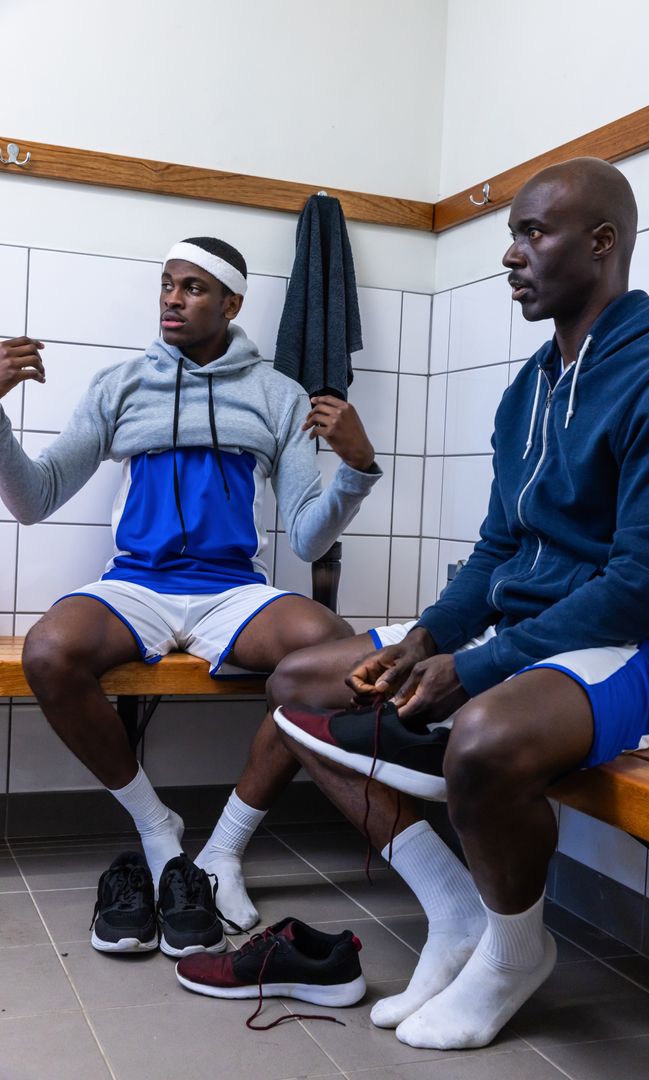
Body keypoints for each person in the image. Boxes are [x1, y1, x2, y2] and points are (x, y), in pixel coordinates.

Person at [181, 159, 649, 1044]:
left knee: (485, 735)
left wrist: (478, 667)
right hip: (530, 635)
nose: (511, 255)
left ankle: (515, 953)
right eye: (512, 234)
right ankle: (457, 910)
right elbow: (500, 549)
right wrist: (430, 635)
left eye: (532, 233)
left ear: (602, 242)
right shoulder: (531, 387)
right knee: (301, 686)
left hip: (647, 653)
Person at [0, 236, 380, 935]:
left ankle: (224, 849)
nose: (172, 299)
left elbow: (306, 537)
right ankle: (158, 828)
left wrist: (355, 470)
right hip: (137, 585)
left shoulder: (277, 394)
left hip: (232, 591)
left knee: (331, 648)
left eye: (193, 288)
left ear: (231, 304)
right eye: (167, 284)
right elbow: (34, 499)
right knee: (49, 651)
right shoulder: (119, 385)